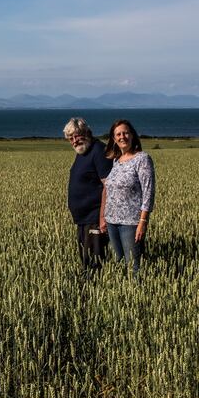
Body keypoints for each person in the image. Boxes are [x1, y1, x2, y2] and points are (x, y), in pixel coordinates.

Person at [99, 119, 155, 273]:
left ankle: (138, 294)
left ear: (132, 136)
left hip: (131, 222)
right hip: (112, 221)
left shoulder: (142, 158)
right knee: (119, 263)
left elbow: (148, 193)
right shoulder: (116, 160)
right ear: (114, 139)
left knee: (133, 266)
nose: (122, 136)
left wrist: (143, 222)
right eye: (118, 134)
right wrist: (103, 217)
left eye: (126, 133)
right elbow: (108, 190)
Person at [64, 117, 113, 278]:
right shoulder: (83, 152)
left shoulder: (99, 151)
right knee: (86, 261)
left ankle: (95, 294)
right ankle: (86, 292)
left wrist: (102, 218)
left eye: (77, 136)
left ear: (87, 132)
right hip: (83, 219)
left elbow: (108, 186)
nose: (74, 141)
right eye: (71, 138)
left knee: (95, 263)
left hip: (95, 218)